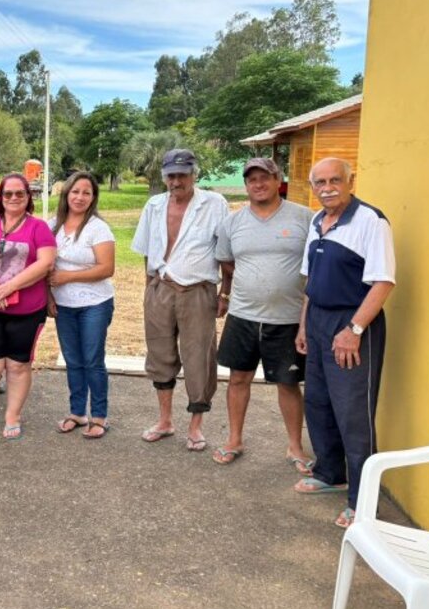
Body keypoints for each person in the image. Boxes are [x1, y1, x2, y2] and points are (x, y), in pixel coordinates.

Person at [293, 157, 395, 529]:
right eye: (319, 182)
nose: (327, 187)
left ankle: (363, 501)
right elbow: (311, 280)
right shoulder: (318, 221)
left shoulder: (370, 221)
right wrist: (304, 326)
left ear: (351, 181)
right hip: (318, 320)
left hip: (351, 322)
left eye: (335, 180)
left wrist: (354, 329)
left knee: (353, 413)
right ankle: (330, 473)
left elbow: (383, 282)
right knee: (318, 402)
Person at [212, 158, 314, 469]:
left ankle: (295, 447)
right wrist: (230, 292)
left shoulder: (304, 218)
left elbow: (315, 265)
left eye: (265, 177)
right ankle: (234, 439)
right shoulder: (233, 222)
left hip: (288, 318)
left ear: (278, 179)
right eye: (252, 179)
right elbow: (226, 262)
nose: (258, 184)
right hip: (243, 315)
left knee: (288, 383)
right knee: (238, 378)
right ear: (246, 185)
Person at [131, 149, 229, 452]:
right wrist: (150, 286)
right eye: (171, 175)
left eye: (182, 174)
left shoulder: (214, 204)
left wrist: (225, 291)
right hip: (161, 287)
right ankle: (165, 420)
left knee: (199, 357)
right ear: (164, 176)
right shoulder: (155, 205)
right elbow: (148, 248)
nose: (176, 181)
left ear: (194, 174)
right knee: (159, 354)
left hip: (198, 290)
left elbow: (226, 252)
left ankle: (196, 427)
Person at [0, 173, 56, 439]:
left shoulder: (38, 228)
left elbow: (45, 263)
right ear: (0, 197)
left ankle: (12, 416)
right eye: (8, 194)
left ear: (28, 197)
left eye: (20, 193)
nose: (13, 198)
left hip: (27, 311)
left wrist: (10, 286)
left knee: (18, 365)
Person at [48, 172, 116, 439]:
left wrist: (68, 276)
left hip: (94, 304)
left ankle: (99, 416)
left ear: (93, 197)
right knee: (73, 360)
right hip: (63, 305)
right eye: (75, 191)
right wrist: (48, 296)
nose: (80, 197)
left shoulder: (98, 228)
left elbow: (107, 268)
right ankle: (77, 412)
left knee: (92, 360)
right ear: (66, 193)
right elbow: (45, 265)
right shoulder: (53, 225)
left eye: (86, 193)